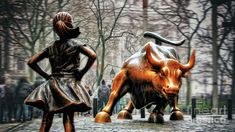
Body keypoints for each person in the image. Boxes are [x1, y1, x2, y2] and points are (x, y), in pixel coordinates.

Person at [24, 12, 96, 132]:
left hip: (52, 85)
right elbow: (93, 55)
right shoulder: (76, 45)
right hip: (70, 85)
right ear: (70, 25)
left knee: (46, 120)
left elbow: (31, 62)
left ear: (55, 29)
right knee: (68, 119)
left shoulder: (51, 48)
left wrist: (46, 76)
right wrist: (81, 73)